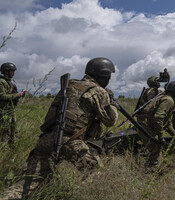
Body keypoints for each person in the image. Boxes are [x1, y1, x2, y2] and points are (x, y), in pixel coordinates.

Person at [3, 57, 119, 199]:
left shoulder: (69, 85)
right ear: (104, 76)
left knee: (28, 183)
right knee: (96, 173)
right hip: (70, 142)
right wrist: (112, 104)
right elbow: (110, 121)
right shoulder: (99, 92)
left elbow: (50, 116)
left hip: (46, 139)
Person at [136, 81, 175, 170]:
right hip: (146, 126)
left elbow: (167, 125)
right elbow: (158, 118)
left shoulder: (164, 98)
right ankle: (152, 171)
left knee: (156, 149)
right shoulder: (169, 101)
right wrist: (161, 137)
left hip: (144, 125)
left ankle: (151, 167)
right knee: (156, 147)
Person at [0, 62, 27, 144]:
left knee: (14, 131)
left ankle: (12, 148)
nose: (14, 73)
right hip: (4, 111)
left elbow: (12, 95)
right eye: (12, 71)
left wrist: (21, 95)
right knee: (5, 132)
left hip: (11, 110)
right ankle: (4, 151)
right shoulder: (1, 82)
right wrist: (16, 95)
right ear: (6, 71)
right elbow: (2, 96)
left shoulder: (10, 82)